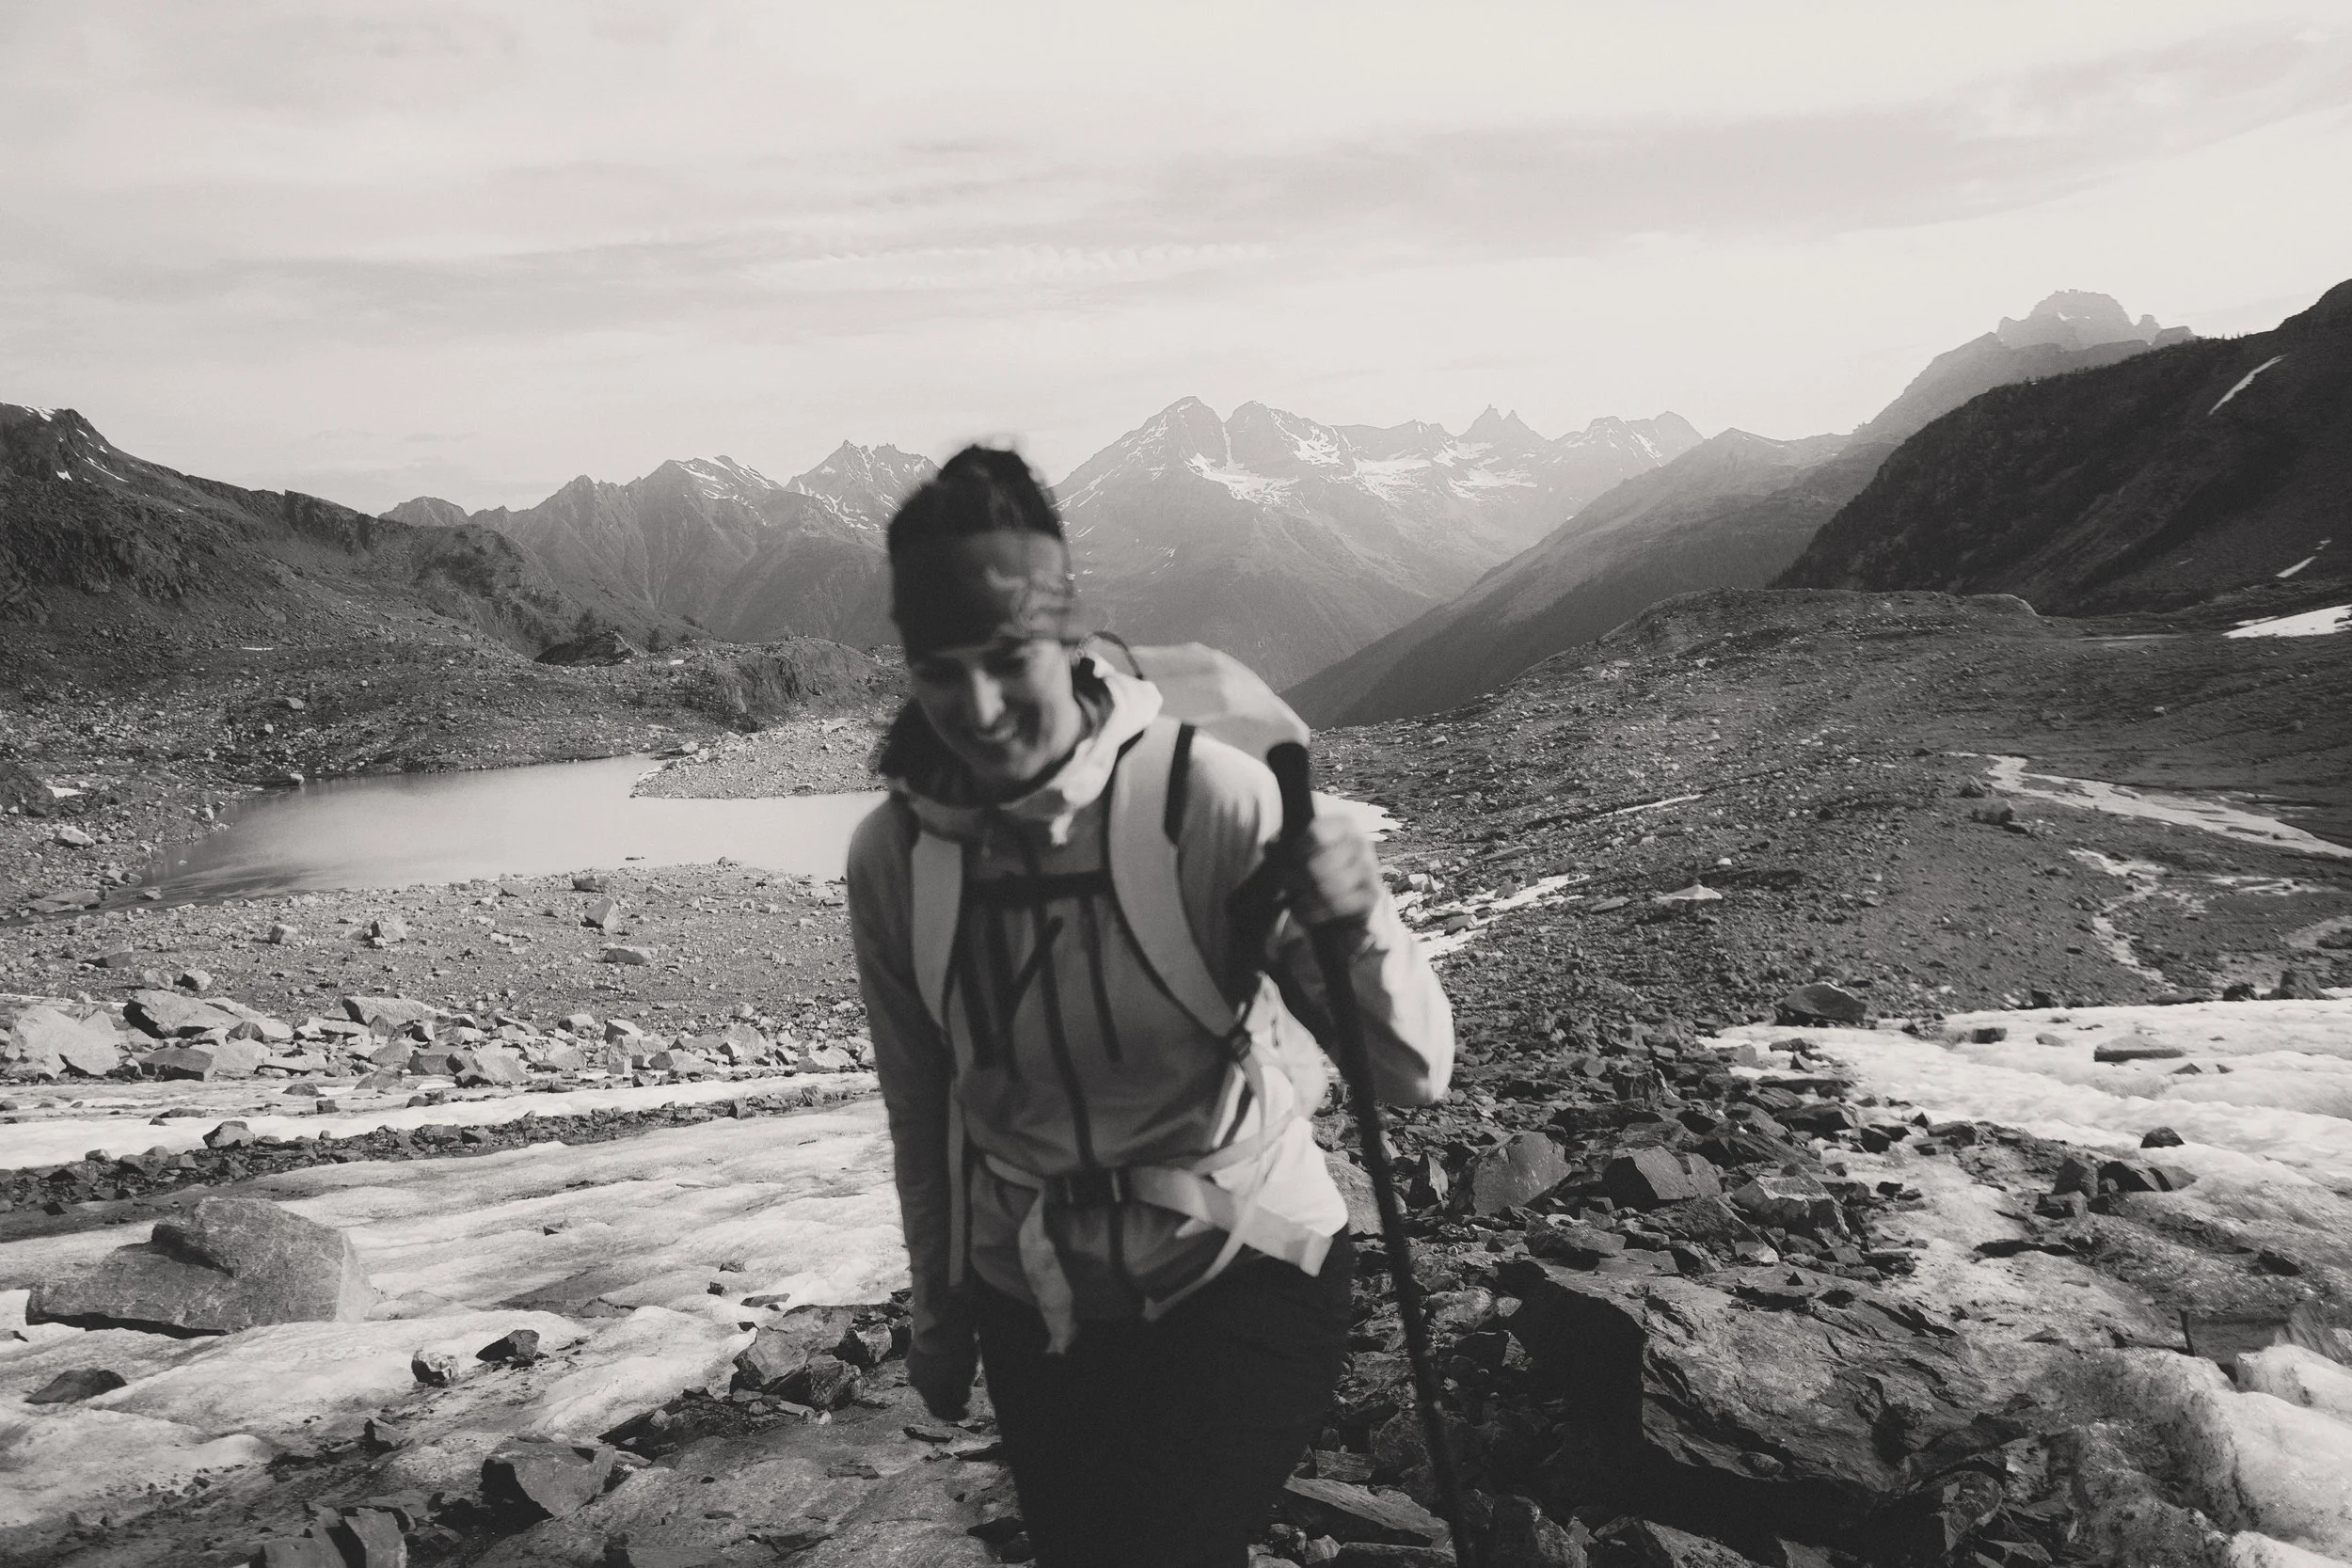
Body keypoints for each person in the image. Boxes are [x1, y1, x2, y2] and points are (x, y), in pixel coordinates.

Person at [847, 445, 1454, 1568]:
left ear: (1069, 636)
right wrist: (940, 1322)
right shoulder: (896, 856)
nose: (978, 707)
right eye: (938, 670)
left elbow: (1409, 1075)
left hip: (1247, 1266)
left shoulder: (1203, 798)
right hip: (1039, 1305)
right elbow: (924, 1108)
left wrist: (1360, 916)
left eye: (1008, 658)